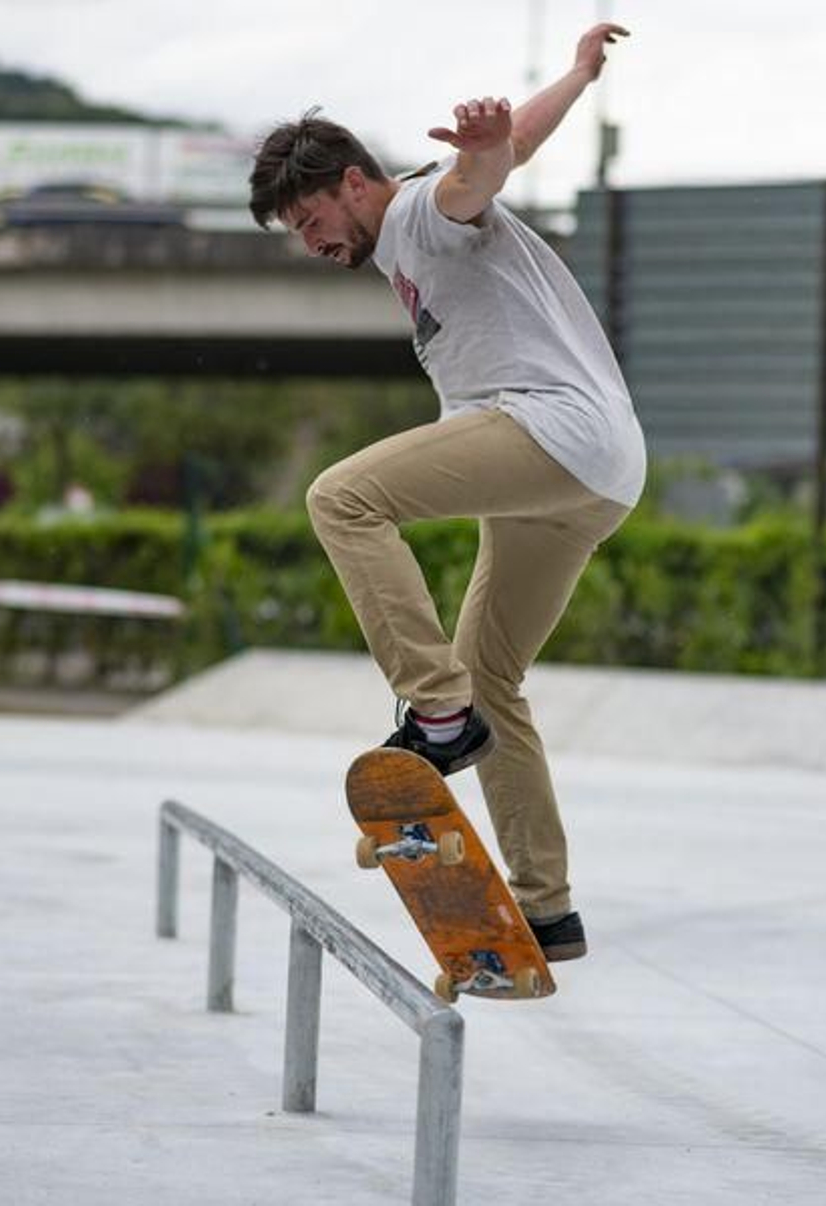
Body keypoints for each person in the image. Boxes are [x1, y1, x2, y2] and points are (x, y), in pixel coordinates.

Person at [248, 23, 646, 963]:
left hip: (548, 433)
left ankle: (436, 712)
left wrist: (485, 151)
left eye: (311, 222)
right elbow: (518, 147)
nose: (313, 244)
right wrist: (578, 75)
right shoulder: (407, 239)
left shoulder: (421, 211)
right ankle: (547, 909)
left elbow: (482, 175)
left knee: (342, 499)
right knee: (494, 676)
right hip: (600, 475)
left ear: (354, 183)